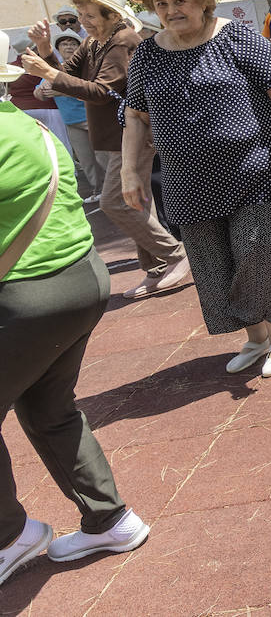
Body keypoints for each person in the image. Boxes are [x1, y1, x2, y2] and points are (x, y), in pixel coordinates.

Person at [1, 51, 149, 587]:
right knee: (49, 408)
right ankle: (110, 519)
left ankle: (11, 536)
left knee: (49, 409)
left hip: (27, 296)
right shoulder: (25, 124)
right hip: (80, 280)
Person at [121, 0, 271, 378]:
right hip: (187, 180)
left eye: (180, 1)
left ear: (203, 1)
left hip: (256, 171)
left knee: (254, 254)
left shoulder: (237, 38)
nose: (170, 12)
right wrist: (129, 171)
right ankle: (256, 336)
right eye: (161, 4)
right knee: (212, 262)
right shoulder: (147, 55)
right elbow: (135, 114)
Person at [21, 0, 190, 301]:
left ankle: (175, 255)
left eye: (88, 15)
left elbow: (99, 91)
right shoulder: (94, 42)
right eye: (79, 15)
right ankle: (156, 268)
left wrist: (47, 71)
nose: (82, 22)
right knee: (135, 202)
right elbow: (68, 74)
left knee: (115, 201)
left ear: (112, 15)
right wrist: (46, 51)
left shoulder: (123, 40)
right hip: (116, 136)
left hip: (135, 134)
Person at [39, 31, 100, 198]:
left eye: (73, 44)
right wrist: (43, 91)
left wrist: (61, 92)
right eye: (64, 44)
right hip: (71, 122)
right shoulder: (54, 69)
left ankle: (114, 191)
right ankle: (98, 191)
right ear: (58, 48)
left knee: (103, 157)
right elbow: (37, 94)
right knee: (86, 159)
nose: (69, 47)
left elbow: (93, 92)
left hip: (92, 118)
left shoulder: (86, 66)